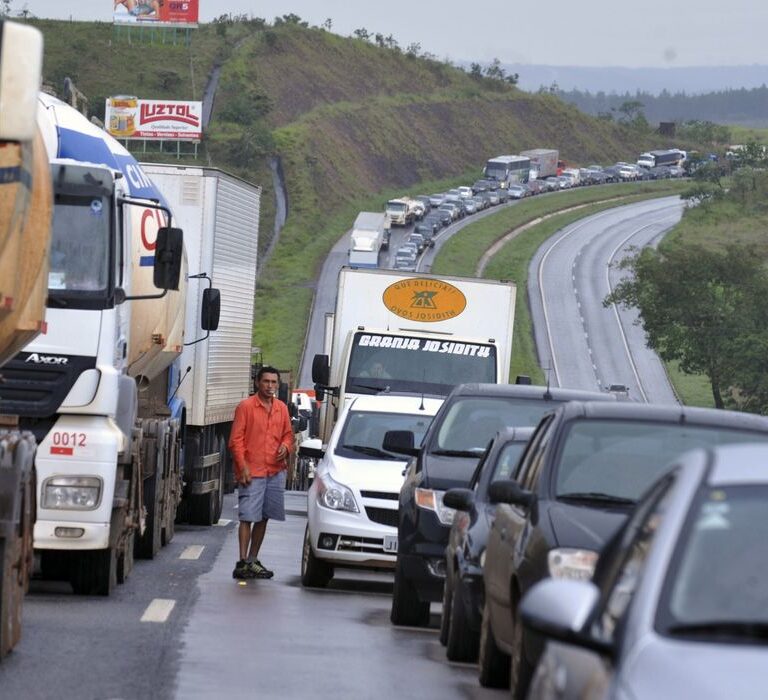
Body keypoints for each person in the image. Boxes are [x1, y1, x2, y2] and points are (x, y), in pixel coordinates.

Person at [228, 366, 294, 579]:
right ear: (257, 383)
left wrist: (286, 446)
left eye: (274, 382)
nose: (270, 386)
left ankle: (252, 559)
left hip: (275, 471)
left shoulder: (282, 408)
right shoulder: (246, 407)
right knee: (247, 516)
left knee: (264, 517)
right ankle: (241, 562)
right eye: (266, 382)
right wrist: (243, 467)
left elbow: (288, 435)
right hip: (253, 471)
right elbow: (235, 440)